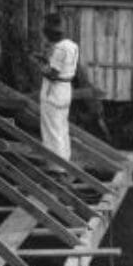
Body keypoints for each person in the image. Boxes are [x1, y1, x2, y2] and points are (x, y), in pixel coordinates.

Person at [36, 13, 78, 161]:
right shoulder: (72, 46)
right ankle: (65, 160)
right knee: (62, 127)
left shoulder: (59, 48)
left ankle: (56, 165)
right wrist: (45, 60)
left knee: (51, 130)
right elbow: (63, 66)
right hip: (65, 90)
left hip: (53, 91)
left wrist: (40, 66)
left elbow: (53, 74)